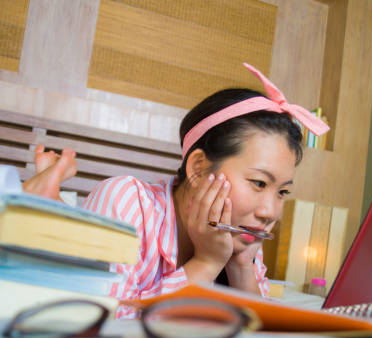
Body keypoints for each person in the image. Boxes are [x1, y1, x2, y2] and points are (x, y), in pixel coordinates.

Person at [24, 63, 329, 318]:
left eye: (282, 192)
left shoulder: (240, 234)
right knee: (39, 238)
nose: (270, 211)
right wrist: (206, 263)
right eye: (259, 183)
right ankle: (43, 191)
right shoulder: (127, 202)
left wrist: (241, 267)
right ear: (197, 168)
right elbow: (97, 319)